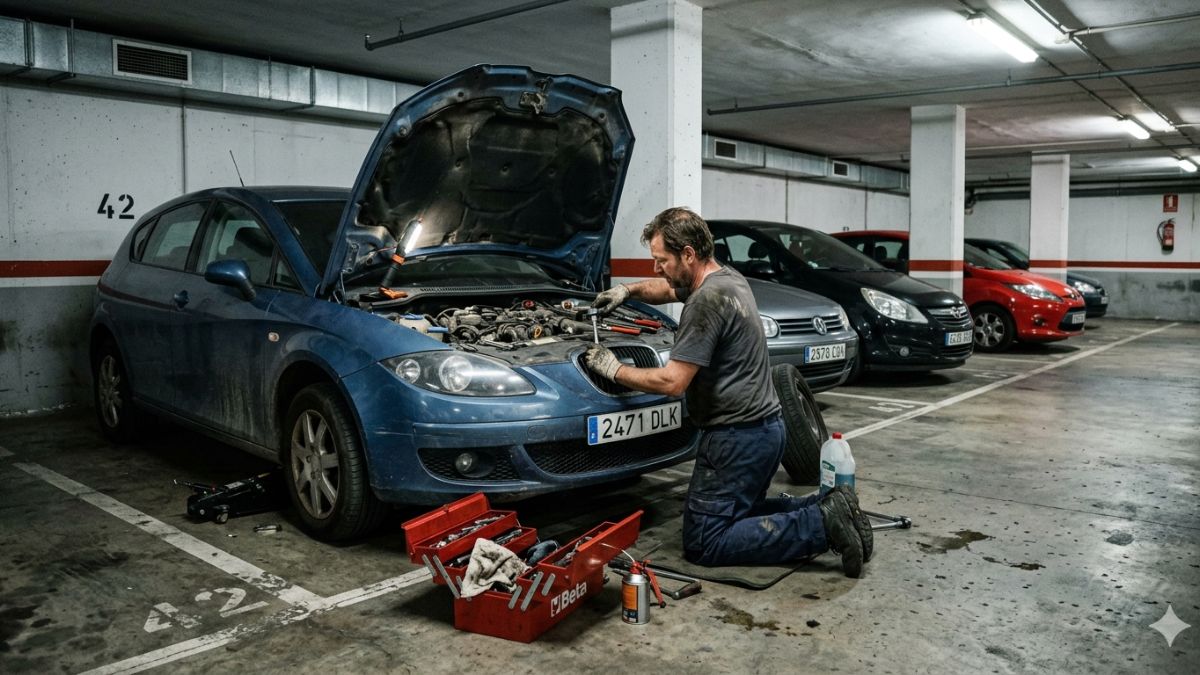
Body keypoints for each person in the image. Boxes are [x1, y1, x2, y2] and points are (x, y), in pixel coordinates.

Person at [584, 207, 874, 577]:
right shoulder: (727, 279)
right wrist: (627, 291)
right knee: (742, 514)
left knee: (706, 539)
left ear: (688, 254)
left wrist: (614, 369)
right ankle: (834, 504)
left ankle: (821, 524)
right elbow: (670, 287)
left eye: (661, 260)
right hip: (765, 430)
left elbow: (673, 382)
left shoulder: (705, 302)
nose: (656, 269)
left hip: (736, 439)